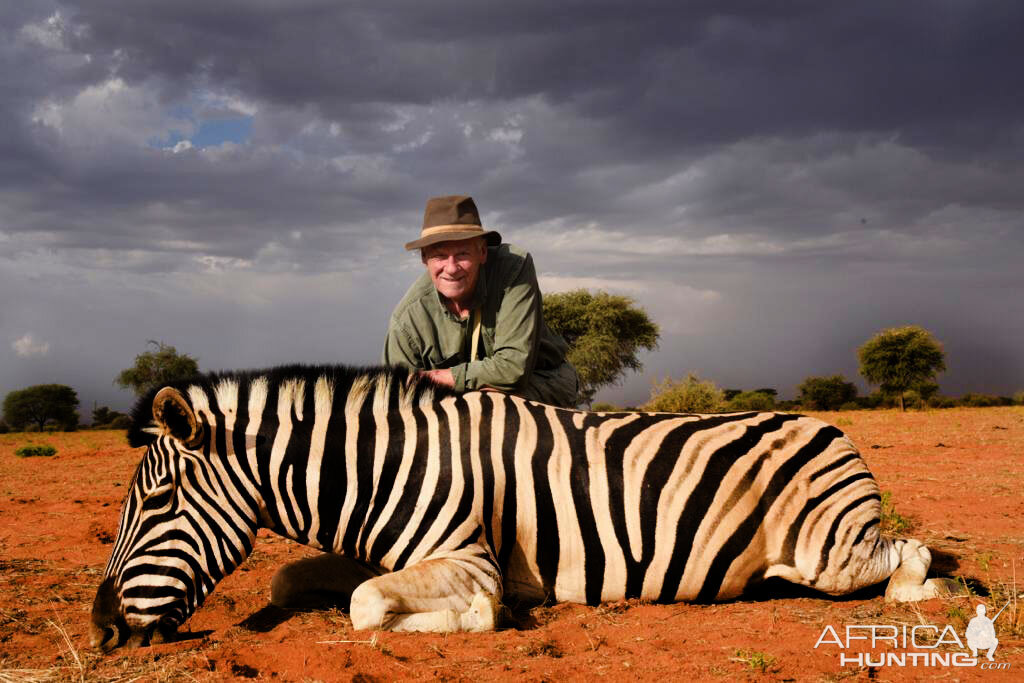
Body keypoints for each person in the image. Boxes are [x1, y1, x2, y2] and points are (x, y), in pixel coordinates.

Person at [382, 195, 578, 408]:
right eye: (439, 256)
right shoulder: (406, 320)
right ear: (424, 258)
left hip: (541, 381)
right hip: (454, 406)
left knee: (484, 406)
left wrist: (436, 377)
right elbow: (400, 396)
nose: (451, 267)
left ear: (482, 252)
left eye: (462, 254)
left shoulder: (514, 268)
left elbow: (513, 370)